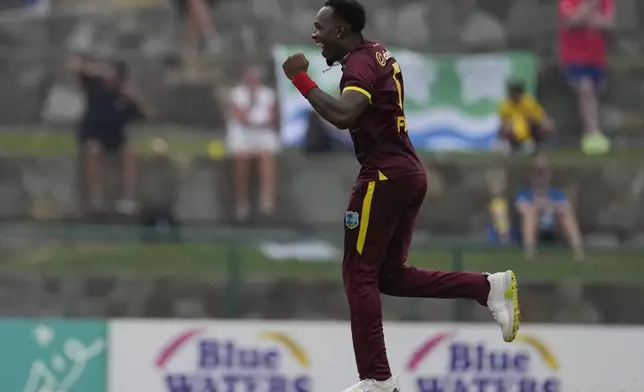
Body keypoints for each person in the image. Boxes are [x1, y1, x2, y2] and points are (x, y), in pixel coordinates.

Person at [280, 1, 520, 391]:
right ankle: (487, 287)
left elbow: (345, 115)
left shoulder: (358, 64)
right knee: (388, 276)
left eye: (319, 27)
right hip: (406, 172)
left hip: (384, 176)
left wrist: (301, 81)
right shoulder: (376, 52)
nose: (314, 35)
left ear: (340, 30)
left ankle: (377, 378)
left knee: (358, 275)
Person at [66, 55, 151, 215]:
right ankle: (96, 199)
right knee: (94, 150)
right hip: (93, 135)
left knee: (130, 153)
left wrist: (136, 98)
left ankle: (128, 198)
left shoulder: (125, 98)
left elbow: (146, 115)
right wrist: (97, 69)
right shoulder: (95, 85)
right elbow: (72, 65)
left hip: (115, 138)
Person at [559, 0, 614, 154]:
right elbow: (569, 21)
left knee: (595, 94)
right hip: (574, 57)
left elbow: (607, 25)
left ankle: (593, 133)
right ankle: (592, 133)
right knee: (585, 89)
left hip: (597, 57)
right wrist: (589, 7)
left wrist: (584, 18)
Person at [226, 65, 279, 222]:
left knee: (266, 157)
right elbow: (240, 116)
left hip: (262, 134)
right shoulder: (236, 94)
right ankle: (242, 202)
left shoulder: (268, 94)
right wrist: (257, 121)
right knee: (243, 159)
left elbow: (271, 116)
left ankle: (266, 200)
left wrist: (257, 122)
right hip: (242, 134)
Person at [516, 154, 584, 260]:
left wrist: (550, 206)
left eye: (544, 171)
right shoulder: (524, 193)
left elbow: (566, 207)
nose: (541, 175)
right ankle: (529, 251)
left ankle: (578, 251)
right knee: (531, 213)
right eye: (538, 171)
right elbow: (521, 208)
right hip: (535, 228)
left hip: (554, 229)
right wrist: (541, 207)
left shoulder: (557, 194)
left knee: (565, 212)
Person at [497, 80, 554, 154]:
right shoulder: (504, 104)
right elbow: (503, 121)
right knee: (505, 127)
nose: (511, 95)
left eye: (513, 93)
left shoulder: (529, 102)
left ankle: (538, 145)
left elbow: (541, 117)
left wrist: (538, 121)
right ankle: (509, 146)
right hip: (513, 131)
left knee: (546, 125)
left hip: (529, 130)